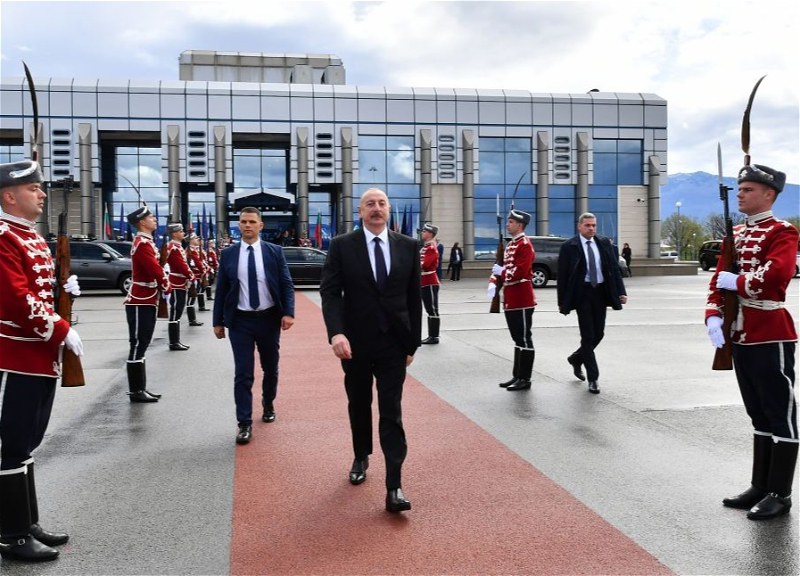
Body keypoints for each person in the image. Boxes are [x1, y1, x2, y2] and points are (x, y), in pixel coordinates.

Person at [0, 159, 83, 562]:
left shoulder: (27, 234)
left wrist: (63, 289)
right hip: (14, 355)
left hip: (38, 354)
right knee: (11, 444)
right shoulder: (4, 237)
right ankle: (12, 535)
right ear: (9, 196)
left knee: (27, 442)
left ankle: (28, 521)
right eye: (33, 188)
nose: (42, 194)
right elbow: (16, 298)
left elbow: (37, 290)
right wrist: (60, 329)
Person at [320, 187, 422, 513]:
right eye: (369, 204)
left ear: (388, 209)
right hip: (355, 343)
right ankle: (361, 455)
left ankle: (394, 486)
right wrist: (336, 332)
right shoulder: (342, 245)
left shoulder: (408, 246)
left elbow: (414, 297)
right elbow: (330, 292)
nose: (376, 208)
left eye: (381, 203)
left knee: (391, 410)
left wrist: (413, 342)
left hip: (394, 343)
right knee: (360, 403)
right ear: (360, 211)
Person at [706, 163, 798, 520]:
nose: (740, 194)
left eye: (748, 189)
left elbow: (777, 275)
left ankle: (780, 493)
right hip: (740, 334)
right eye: (740, 189)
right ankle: (760, 485)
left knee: (780, 412)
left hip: (770, 332)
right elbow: (718, 279)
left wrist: (739, 282)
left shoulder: (782, 231)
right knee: (757, 411)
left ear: (768, 194)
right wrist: (714, 314)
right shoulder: (737, 234)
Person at [213, 207, 295, 445]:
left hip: (269, 320)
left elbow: (286, 283)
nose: (247, 225)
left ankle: (268, 402)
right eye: (243, 222)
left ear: (260, 225)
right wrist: (218, 321)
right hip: (240, 322)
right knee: (243, 373)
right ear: (239, 225)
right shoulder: (229, 254)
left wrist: (288, 312)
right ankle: (244, 423)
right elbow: (222, 290)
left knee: (271, 368)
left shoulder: (274, 252)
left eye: (251, 221)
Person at [557, 212, 628, 394]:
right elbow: (562, 276)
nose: (591, 228)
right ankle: (593, 378)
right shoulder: (569, 246)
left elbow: (614, 269)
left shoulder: (604, 243)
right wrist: (562, 301)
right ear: (579, 226)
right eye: (588, 225)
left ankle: (576, 358)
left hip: (601, 293)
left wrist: (621, 291)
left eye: (594, 225)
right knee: (588, 336)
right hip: (583, 294)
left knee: (599, 334)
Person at [124, 205, 171, 403]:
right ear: (142, 222)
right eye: (151, 217)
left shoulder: (147, 242)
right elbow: (153, 269)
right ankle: (136, 390)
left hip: (147, 298)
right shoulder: (142, 243)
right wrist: (166, 284)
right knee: (138, 343)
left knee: (143, 342)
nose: (155, 219)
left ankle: (140, 388)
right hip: (140, 299)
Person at [488, 209, 536, 391]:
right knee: (517, 338)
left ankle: (525, 378)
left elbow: (520, 271)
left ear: (520, 225)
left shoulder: (524, 244)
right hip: (511, 297)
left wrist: (502, 272)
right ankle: (517, 375)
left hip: (522, 297)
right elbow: (503, 266)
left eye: (511, 222)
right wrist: (494, 283)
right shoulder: (512, 244)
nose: (508, 225)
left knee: (524, 338)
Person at [165, 222, 192, 351]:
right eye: (181, 231)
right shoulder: (174, 248)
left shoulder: (177, 246)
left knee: (178, 310)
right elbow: (181, 266)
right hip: (176, 282)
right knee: (175, 311)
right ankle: (173, 342)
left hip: (180, 282)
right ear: (175, 234)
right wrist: (191, 276)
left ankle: (176, 340)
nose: (183, 233)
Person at [420, 223, 441, 345]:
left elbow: (425, 265)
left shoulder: (431, 248)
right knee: (429, 308)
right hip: (424, 281)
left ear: (430, 234)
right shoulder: (426, 247)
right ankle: (432, 335)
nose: (422, 233)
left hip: (430, 281)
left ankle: (434, 336)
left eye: (424, 231)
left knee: (432, 309)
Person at [187, 234, 210, 313]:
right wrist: (203, 270)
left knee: (198, 290)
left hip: (198, 274)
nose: (197, 240)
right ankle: (190, 310)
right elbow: (196, 263)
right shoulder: (190, 250)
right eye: (195, 238)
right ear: (191, 240)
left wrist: (205, 269)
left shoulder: (195, 250)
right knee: (192, 293)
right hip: (194, 274)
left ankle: (199, 307)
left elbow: (201, 261)